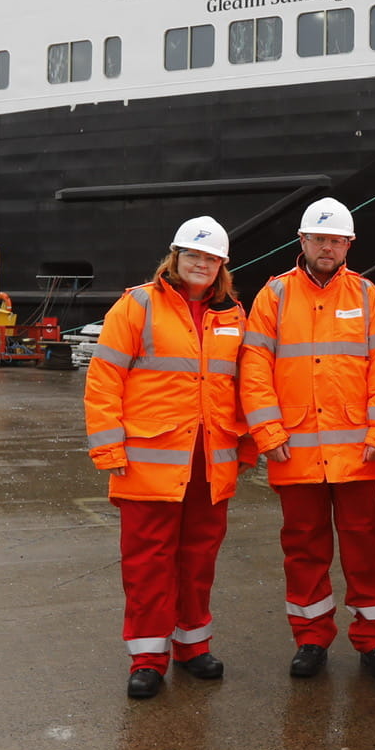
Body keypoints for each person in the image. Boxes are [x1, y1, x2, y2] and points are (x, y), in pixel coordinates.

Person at [83, 216, 252, 699]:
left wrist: (247, 444)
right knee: (148, 563)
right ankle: (148, 658)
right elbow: (105, 379)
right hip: (149, 463)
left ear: (222, 266)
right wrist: (109, 446)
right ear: (175, 258)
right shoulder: (137, 305)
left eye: (210, 258)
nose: (201, 265)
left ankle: (193, 647)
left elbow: (246, 387)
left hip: (209, 465)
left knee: (199, 560)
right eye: (193, 256)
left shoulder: (233, 317)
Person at [240, 197, 375, 681]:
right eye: (319, 239)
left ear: (349, 245)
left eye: (336, 240)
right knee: (303, 548)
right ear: (303, 242)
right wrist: (268, 431)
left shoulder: (367, 296)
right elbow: (254, 368)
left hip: (357, 452)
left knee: (364, 547)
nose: (327, 247)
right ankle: (310, 638)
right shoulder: (274, 296)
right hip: (294, 450)